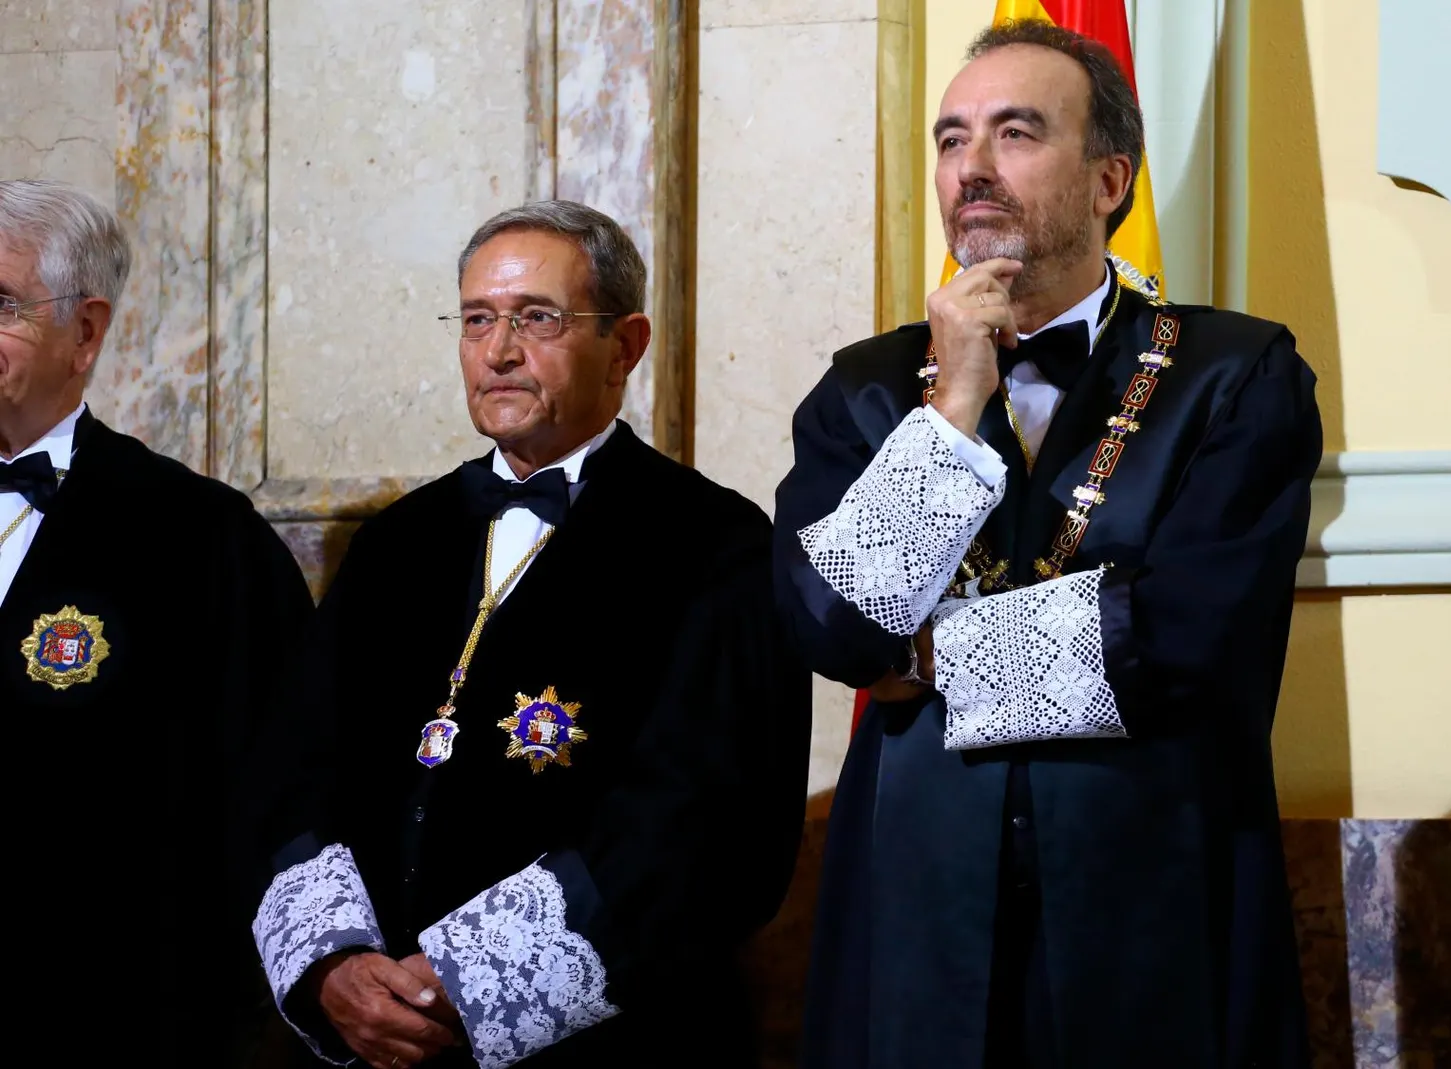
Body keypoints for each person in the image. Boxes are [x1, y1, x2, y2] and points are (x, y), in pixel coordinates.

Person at [778, 20, 1323, 1069]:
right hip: (914, 916)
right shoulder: (864, 389)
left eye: (1015, 133)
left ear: (1110, 178)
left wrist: (930, 656)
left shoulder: (1237, 374)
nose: (971, 169)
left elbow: (1187, 641)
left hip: (1150, 909)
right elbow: (837, 625)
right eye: (950, 140)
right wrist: (953, 409)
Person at [250, 201, 811, 1069]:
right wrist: (334, 966)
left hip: (618, 1044)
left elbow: (707, 821)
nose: (499, 350)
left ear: (626, 344)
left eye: (537, 318)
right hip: (369, 1037)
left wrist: (459, 984)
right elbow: (297, 769)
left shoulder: (716, 544)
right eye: (478, 320)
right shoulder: (395, 540)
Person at [0, 179, 315, 1063]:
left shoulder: (202, 537)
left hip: (110, 1016)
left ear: (87, 331)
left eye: (0, 305)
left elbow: (273, 798)